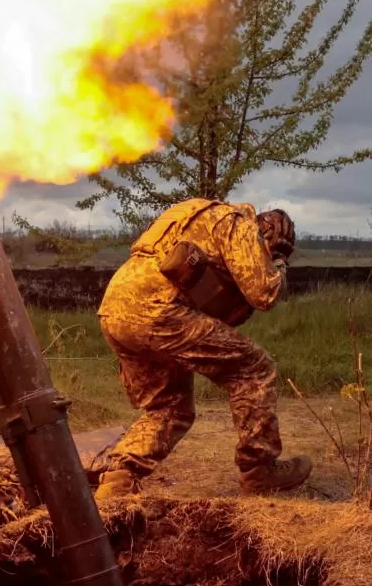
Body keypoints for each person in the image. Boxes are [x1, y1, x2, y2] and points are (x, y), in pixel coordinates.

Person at [94, 198, 311, 500]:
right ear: (267, 235)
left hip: (116, 308)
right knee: (254, 369)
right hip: (159, 309)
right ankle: (259, 470)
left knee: (170, 407)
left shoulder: (193, 216)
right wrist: (278, 261)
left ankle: (119, 478)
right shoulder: (238, 222)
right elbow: (264, 293)